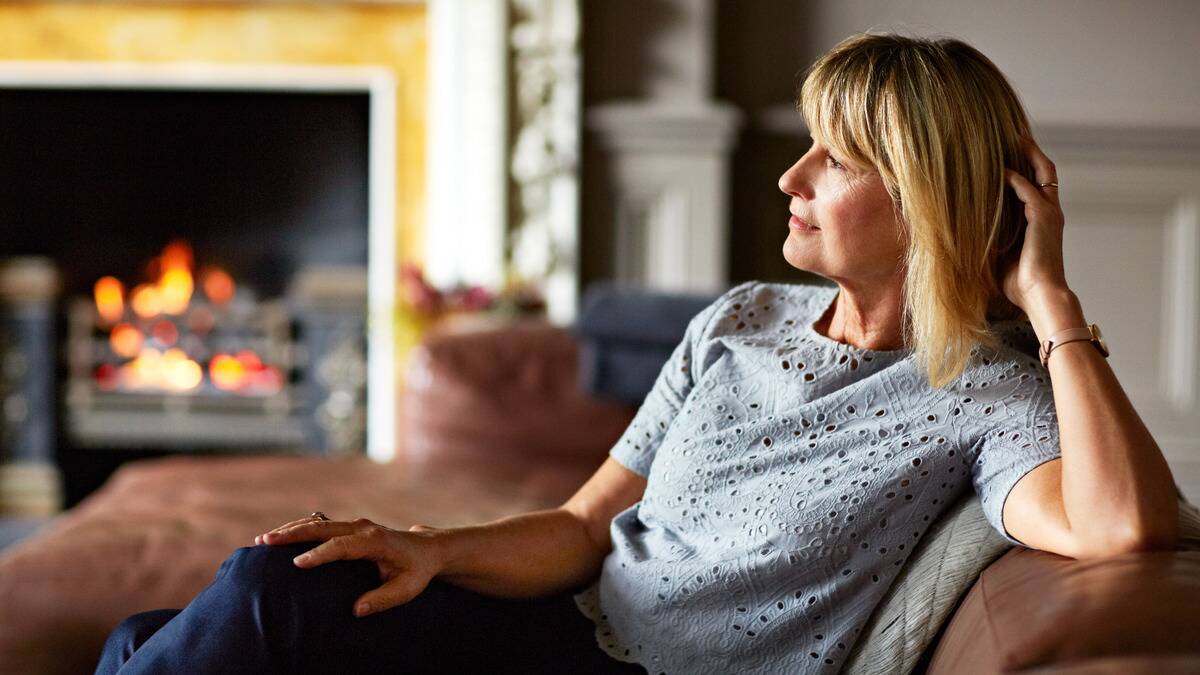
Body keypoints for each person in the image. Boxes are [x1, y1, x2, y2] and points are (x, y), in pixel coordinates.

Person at [96, 31, 1180, 675]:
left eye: (832, 160)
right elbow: (582, 526)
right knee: (190, 618)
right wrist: (427, 547)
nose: (788, 178)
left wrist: (1049, 298)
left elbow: (1125, 525)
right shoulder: (742, 318)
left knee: (253, 602)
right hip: (561, 627)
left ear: (922, 201)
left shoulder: (985, 394)